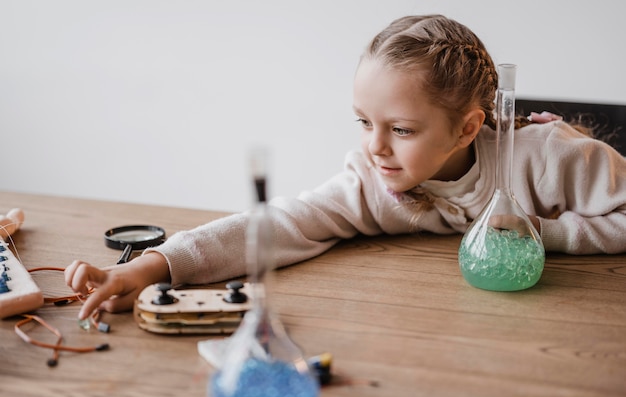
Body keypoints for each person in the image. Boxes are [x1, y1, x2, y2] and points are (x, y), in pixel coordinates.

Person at [65, 14, 626, 321]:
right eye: (364, 121)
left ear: (468, 128)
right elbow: (284, 221)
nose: (375, 147)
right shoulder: (373, 179)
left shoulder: (550, 158)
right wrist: (154, 267)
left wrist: (538, 233)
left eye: (401, 130)